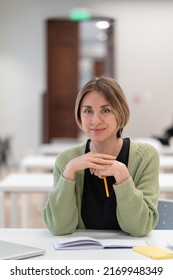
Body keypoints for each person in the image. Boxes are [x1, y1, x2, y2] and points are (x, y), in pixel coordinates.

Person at [42, 75, 160, 237]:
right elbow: (58, 228)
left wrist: (122, 175)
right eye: (88, 111)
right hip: (81, 254)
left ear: (120, 112)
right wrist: (69, 172)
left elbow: (139, 228)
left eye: (105, 110)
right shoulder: (66, 159)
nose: (95, 120)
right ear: (79, 115)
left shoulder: (145, 156)